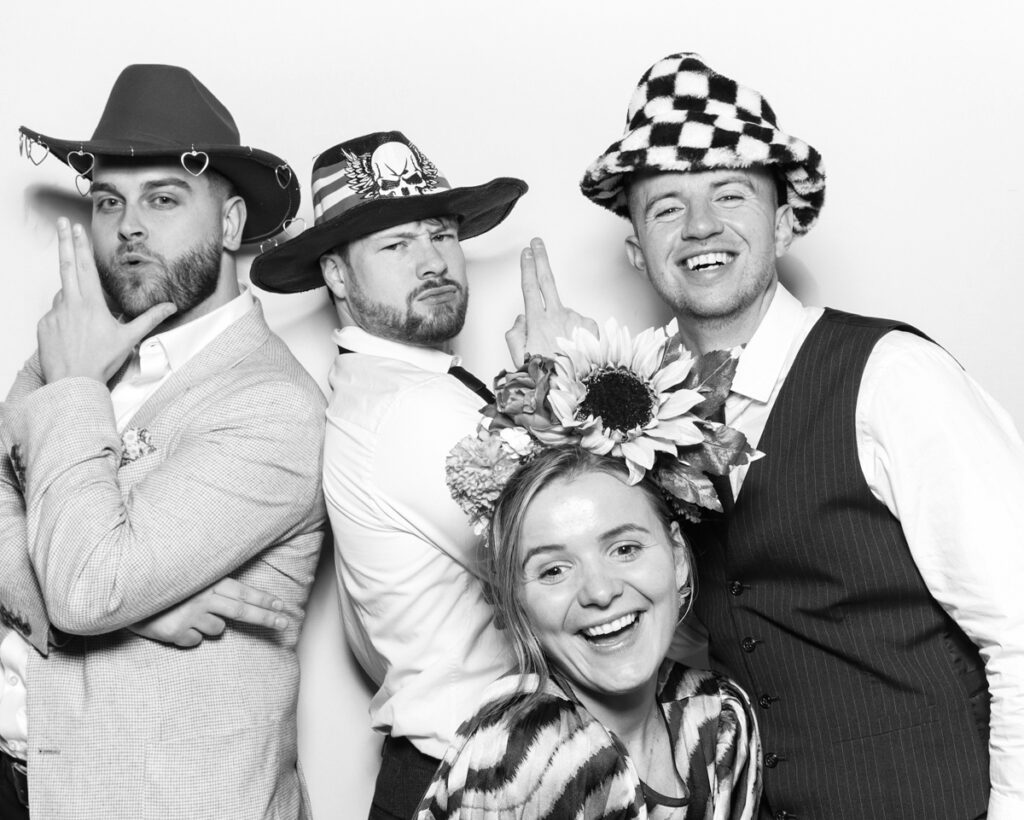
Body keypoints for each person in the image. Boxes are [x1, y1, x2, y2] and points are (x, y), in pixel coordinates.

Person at [573, 52, 1024, 819]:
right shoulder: (644, 421)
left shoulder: (892, 376)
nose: (702, 226)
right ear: (636, 250)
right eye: (667, 207)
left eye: (730, 194)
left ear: (784, 222)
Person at [0, 64, 326, 819]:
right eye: (109, 201)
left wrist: (72, 386)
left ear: (232, 225)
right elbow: (82, 590)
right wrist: (126, 608)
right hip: (27, 786)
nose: (129, 226)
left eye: (164, 198)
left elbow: (90, 588)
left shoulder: (272, 406)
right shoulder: (75, 341)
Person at [248, 130, 531, 820]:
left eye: (440, 234)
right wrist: (576, 394)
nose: (432, 261)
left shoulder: (398, 384)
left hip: (469, 768)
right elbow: (568, 565)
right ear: (337, 278)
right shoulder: (409, 407)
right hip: (477, 782)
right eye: (396, 245)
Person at [419, 319, 761, 819]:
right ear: (518, 600)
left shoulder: (719, 716)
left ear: (680, 559)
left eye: (624, 549)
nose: (599, 591)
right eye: (554, 570)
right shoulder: (519, 764)